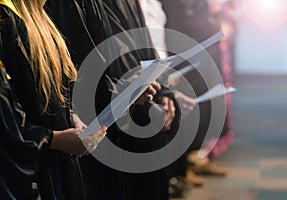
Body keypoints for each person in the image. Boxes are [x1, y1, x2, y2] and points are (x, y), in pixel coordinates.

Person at [45, 0, 181, 199]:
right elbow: (78, 71)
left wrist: (164, 92)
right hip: (105, 130)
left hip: (142, 120)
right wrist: (123, 91)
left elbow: (146, 48)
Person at [0, 1, 105, 199]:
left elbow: (49, 97)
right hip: (33, 174)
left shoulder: (38, 15)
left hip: (60, 165)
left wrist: (70, 117)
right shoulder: (5, 17)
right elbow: (7, 117)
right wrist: (54, 138)